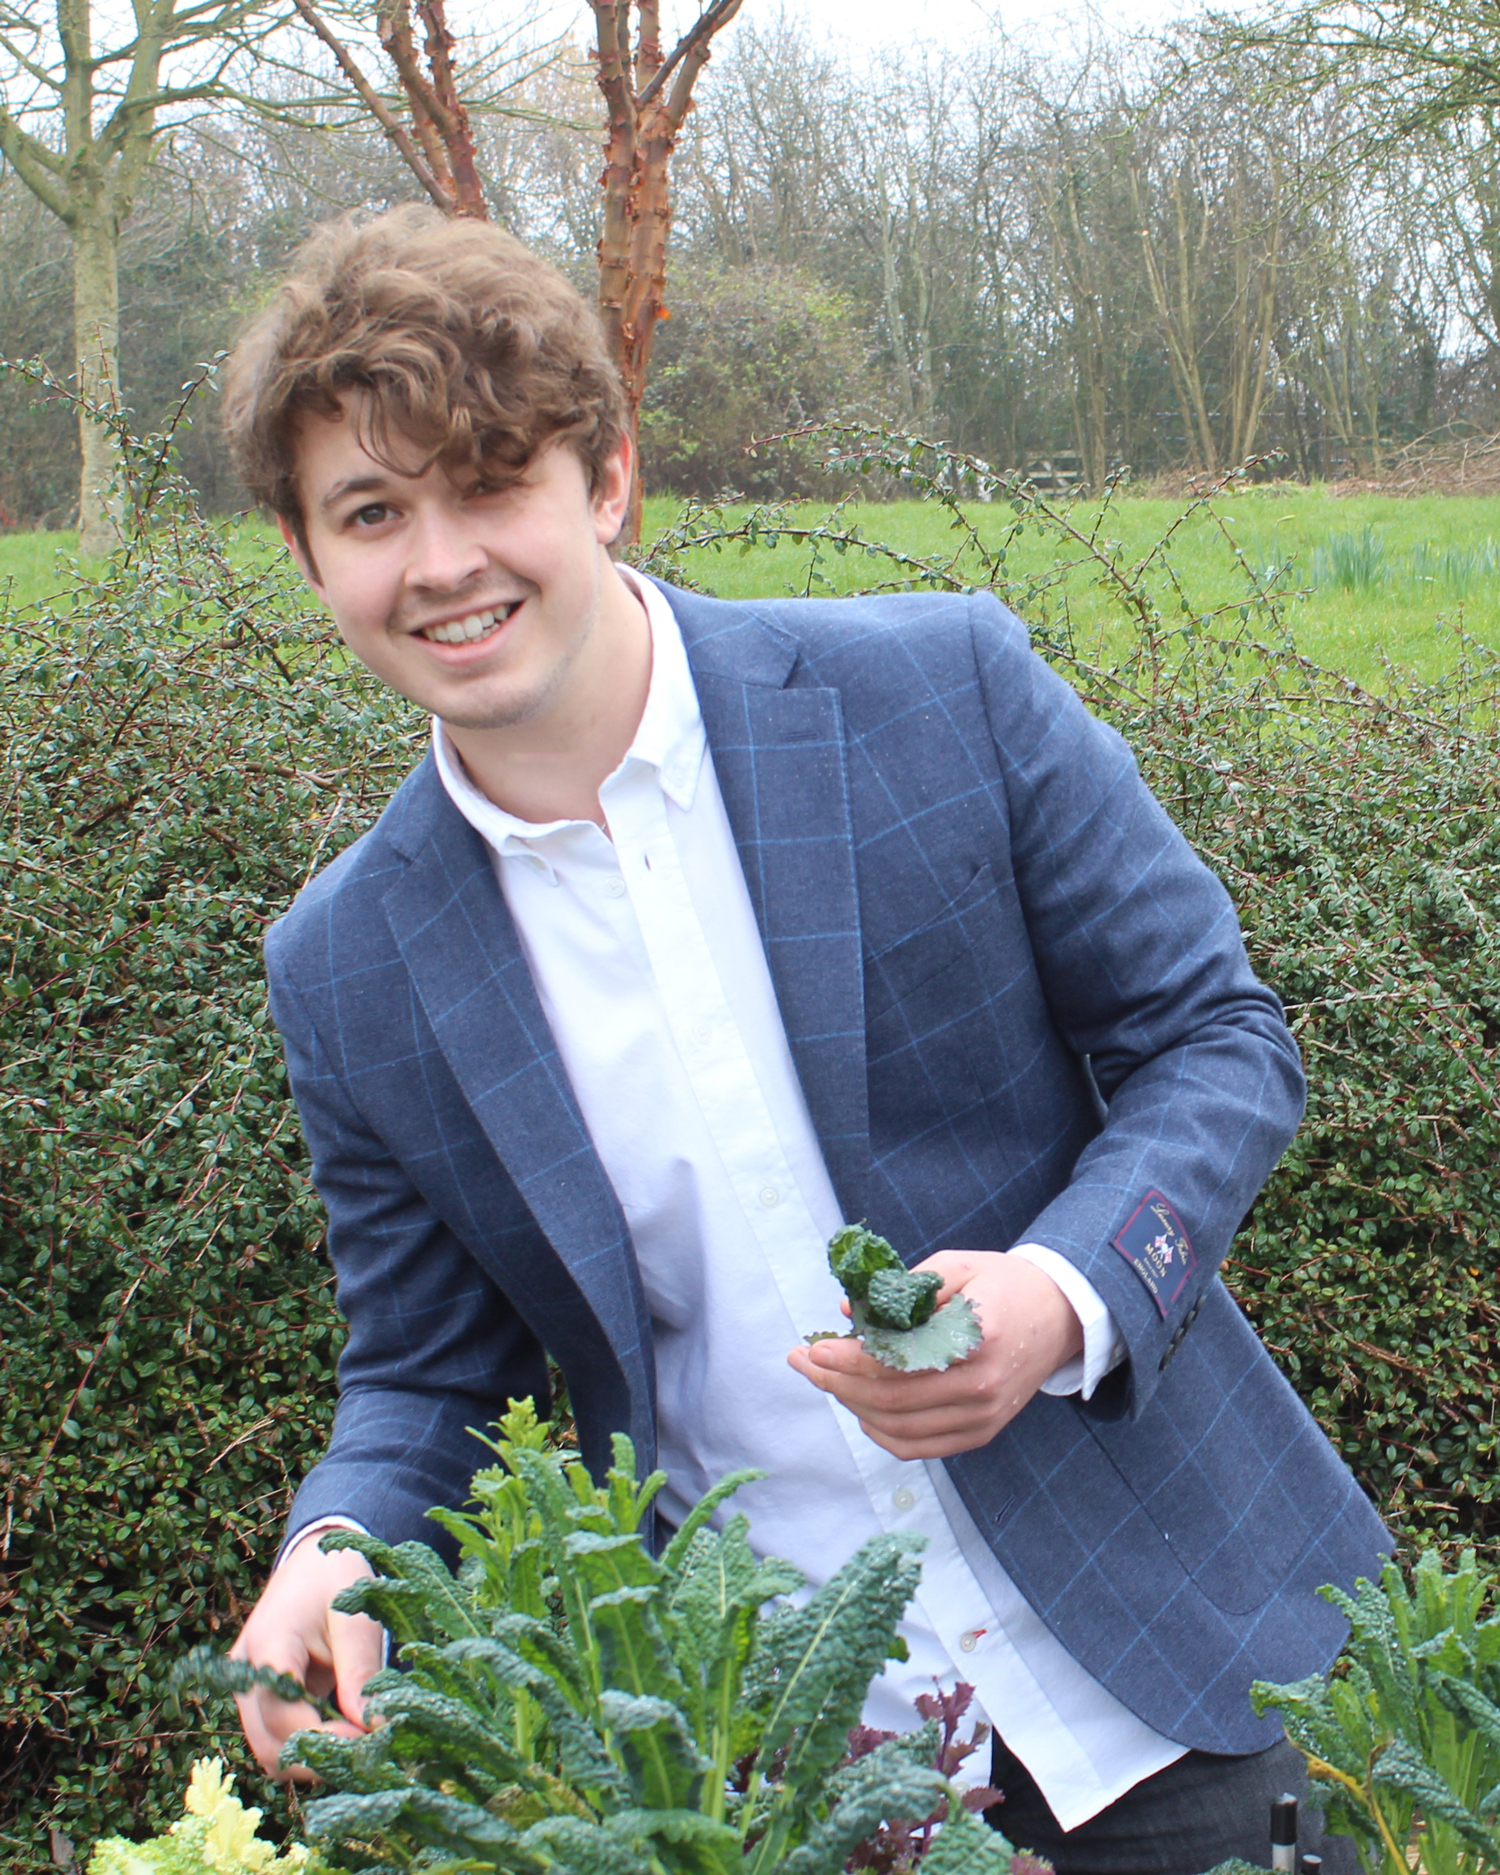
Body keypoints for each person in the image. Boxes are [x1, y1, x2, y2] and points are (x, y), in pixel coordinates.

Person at [222, 206, 1386, 1875]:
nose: (441, 561)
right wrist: (343, 1544)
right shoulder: (345, 963)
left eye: (491, 483)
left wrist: (1059, 1296)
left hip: (1188, 1661)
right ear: (309, 555)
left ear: (607, 478)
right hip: (797, 1777)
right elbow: (425, 1370)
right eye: (372, 512)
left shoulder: (942, 689)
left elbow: (1216, 1034)